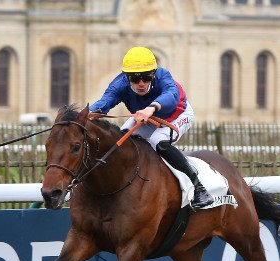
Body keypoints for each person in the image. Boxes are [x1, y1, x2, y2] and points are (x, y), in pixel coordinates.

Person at [89, 46, 214, 210]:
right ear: (127, 77)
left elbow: (171, 96)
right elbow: (105, 102)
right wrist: (87, 113)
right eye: (135, 78)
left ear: (154, 74)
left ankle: (199, 188)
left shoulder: (163, 75)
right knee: (121, 141)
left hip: (177, 115)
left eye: (147, 77)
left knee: (158, 141)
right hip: (146, 116)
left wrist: (152, 107)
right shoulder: (119, 84)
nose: (141, 83)